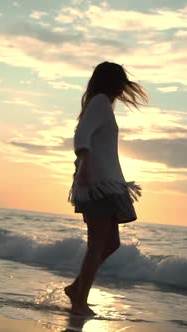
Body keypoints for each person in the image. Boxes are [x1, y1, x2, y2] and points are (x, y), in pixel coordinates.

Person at [65, 61, 148, 316]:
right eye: (121, 82)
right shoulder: (100, 102)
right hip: (97, 184)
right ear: (113, 83)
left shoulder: (101, 104)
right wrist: (86, 166)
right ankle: (80, 302)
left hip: (109, 183)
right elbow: (81, 136)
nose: (124, 88)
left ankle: (77, 288)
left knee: (111, 243)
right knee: (98, 244)